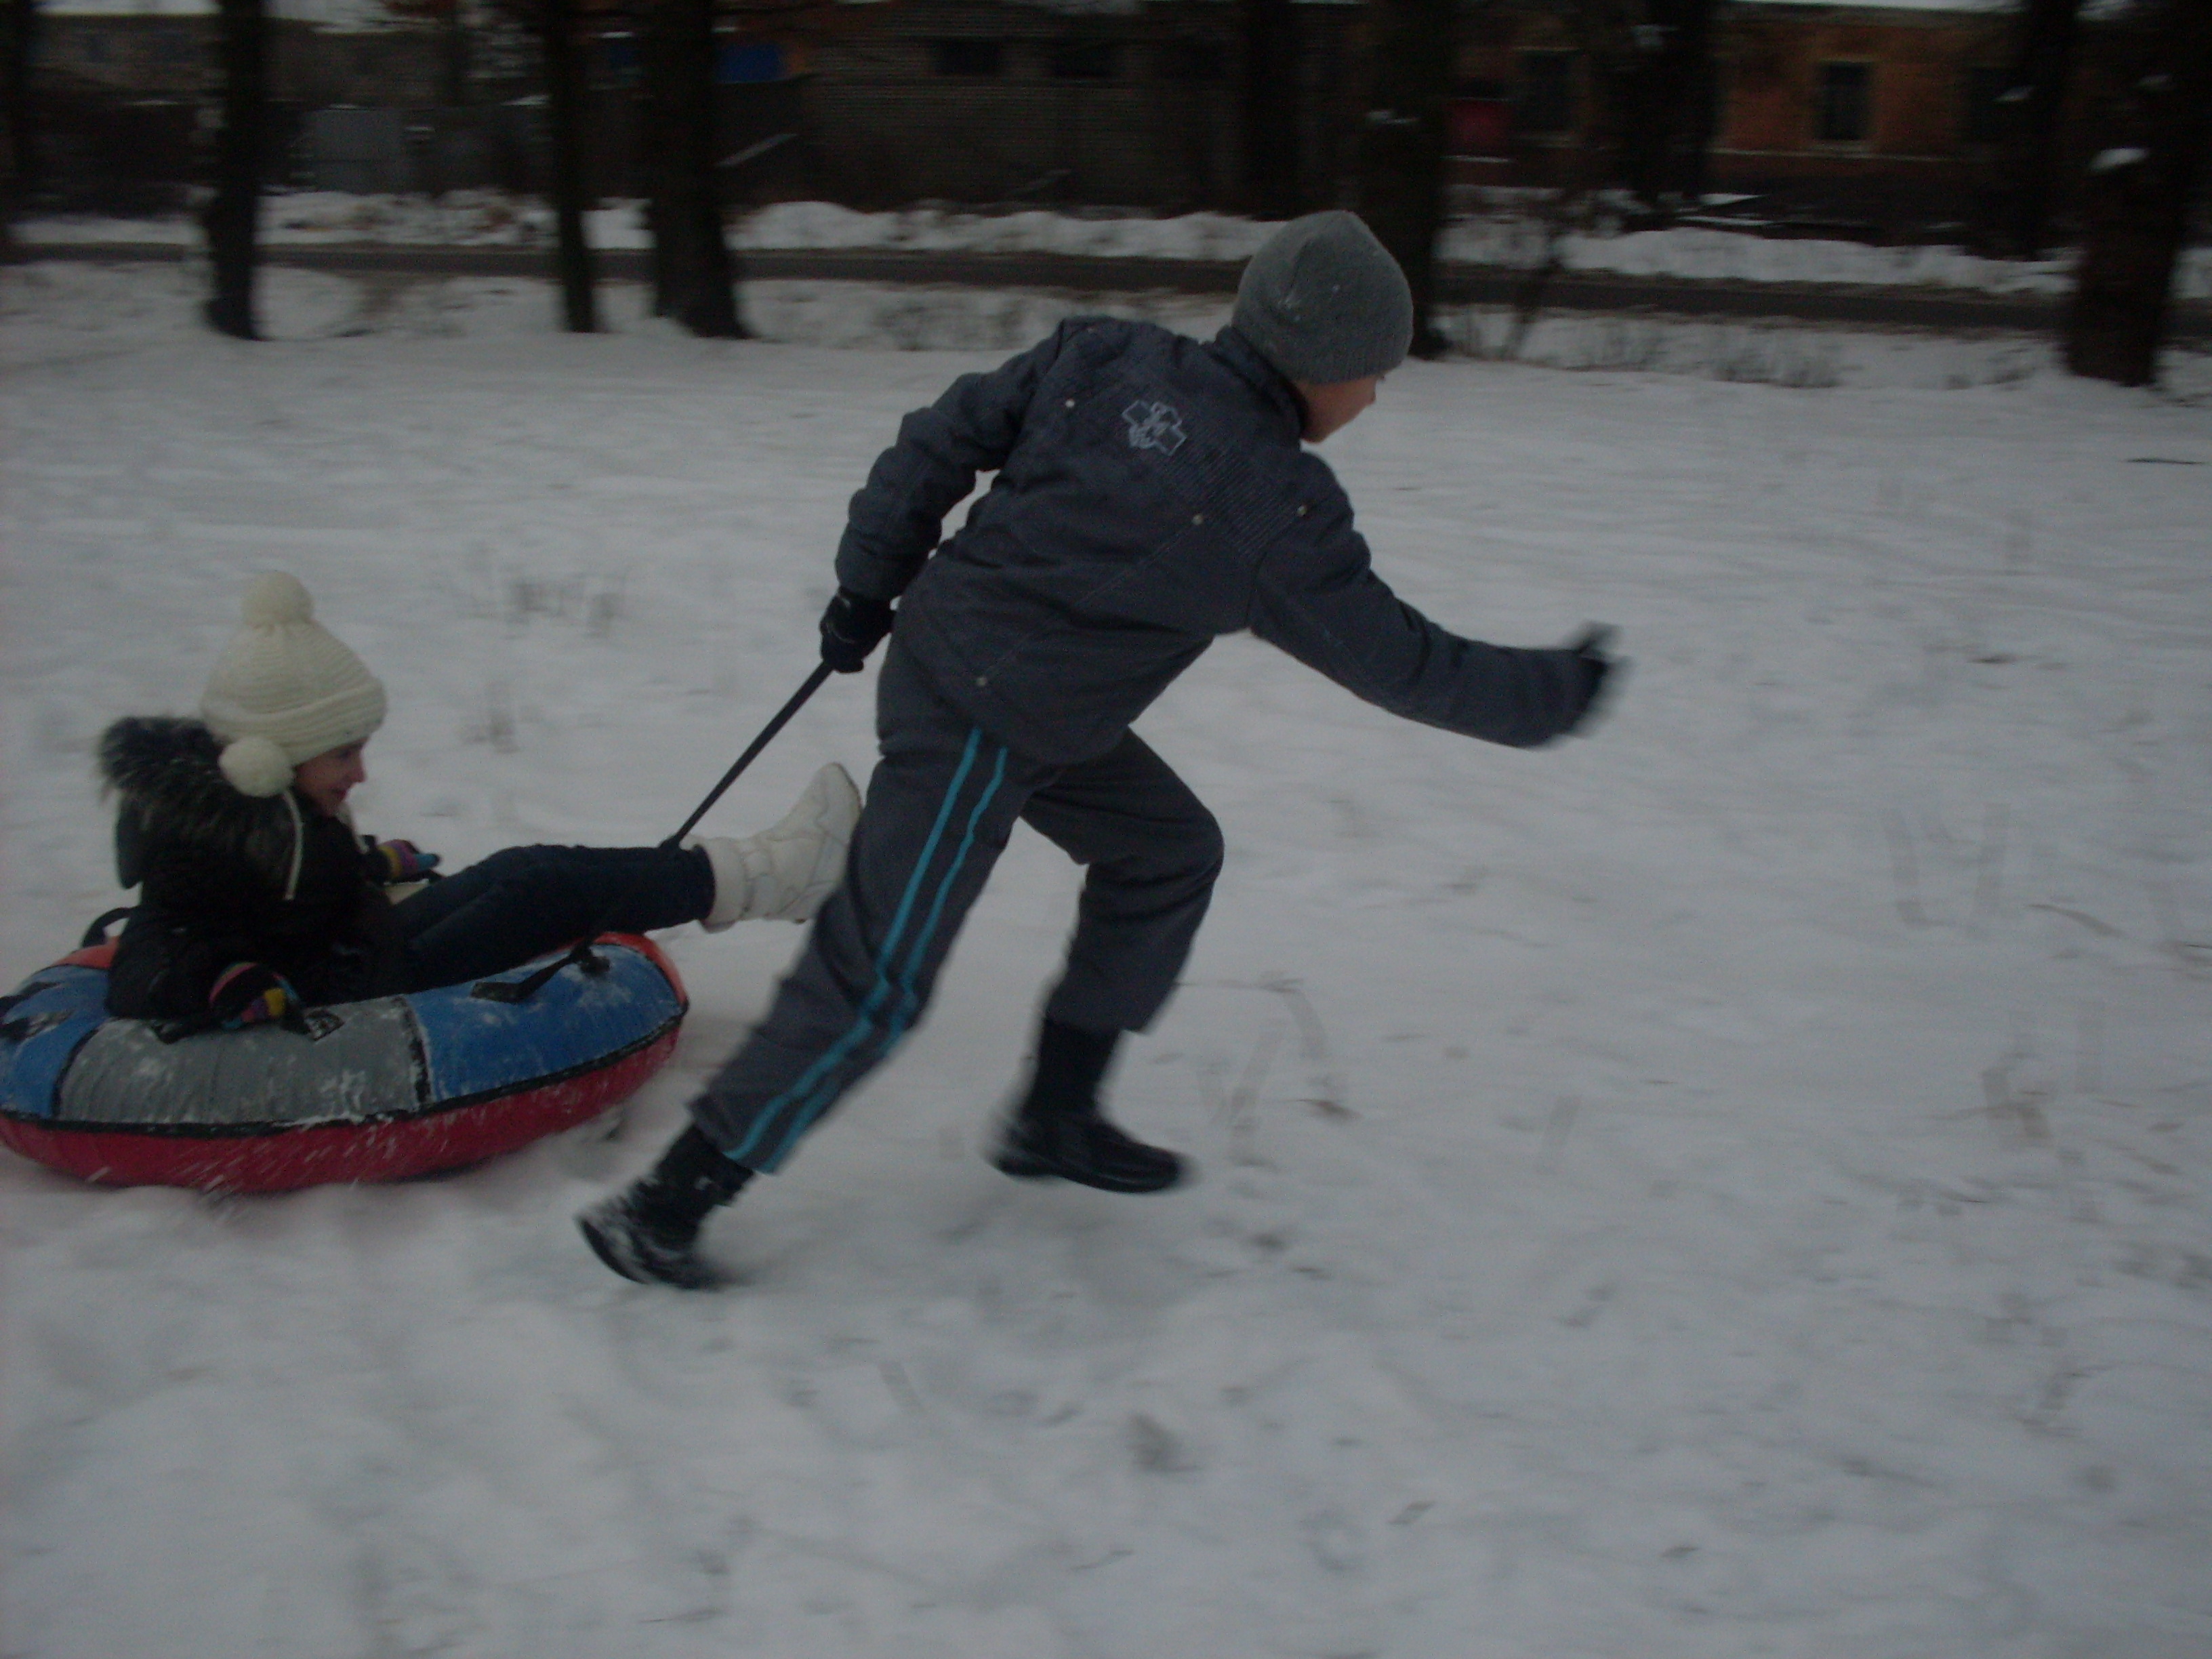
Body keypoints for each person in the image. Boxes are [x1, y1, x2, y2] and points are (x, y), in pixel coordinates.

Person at [579, 210, 1621, 1290]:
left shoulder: (1105, 355)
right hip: (980, 727)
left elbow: (939, 439)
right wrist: (1552, 697)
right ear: (1323, 364)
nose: (1373, 397)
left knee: (1169, 850)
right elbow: (1407, 664)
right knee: (878, 974)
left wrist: (868, 582)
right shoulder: (1277, 511)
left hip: (1013, 696)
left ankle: (1057, 1112)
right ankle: (671, 1201)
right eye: (1372, 372)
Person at [99, 571, 860, 1033]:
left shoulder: (271, 809)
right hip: (353, 989)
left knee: (523, 865)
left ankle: (757, 872)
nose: (360, 774)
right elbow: (147, 959)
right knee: (546, 889)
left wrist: (367, 863)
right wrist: (221, 980)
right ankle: (769, 876)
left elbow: (289, 891)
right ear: (267, 761)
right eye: (343, 754)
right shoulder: (196, 847)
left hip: (364, 945)